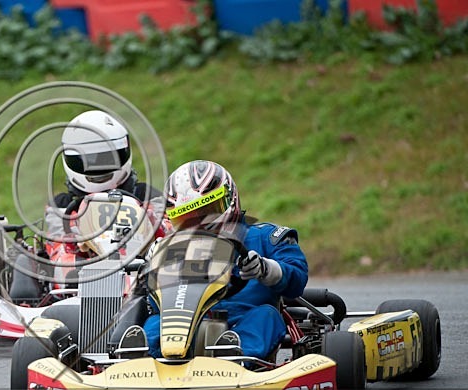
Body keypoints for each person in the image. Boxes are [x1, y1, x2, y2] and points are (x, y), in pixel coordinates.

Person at [142, 160, 308, 360]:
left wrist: (266, 269)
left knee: (267, 316)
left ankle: (234, 354)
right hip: (184, 324)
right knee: (154, 322)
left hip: (244, 319)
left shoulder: (265, 237)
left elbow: (297, 278)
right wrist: (154, 268)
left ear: (229, 199)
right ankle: (139, 356)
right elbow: (155, 301)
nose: (198, 223)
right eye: (186, 218)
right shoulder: (172, 248)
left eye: (206, 212)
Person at [41, 110, 167, 285]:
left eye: (106, 157)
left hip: (143, 276)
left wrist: (149, 222)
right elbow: (58, 249)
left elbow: (168, 235)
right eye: (88, 160)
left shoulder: (146, 195)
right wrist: (81, 236)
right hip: (82, 283)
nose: (98, 165)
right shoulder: (62, 205)